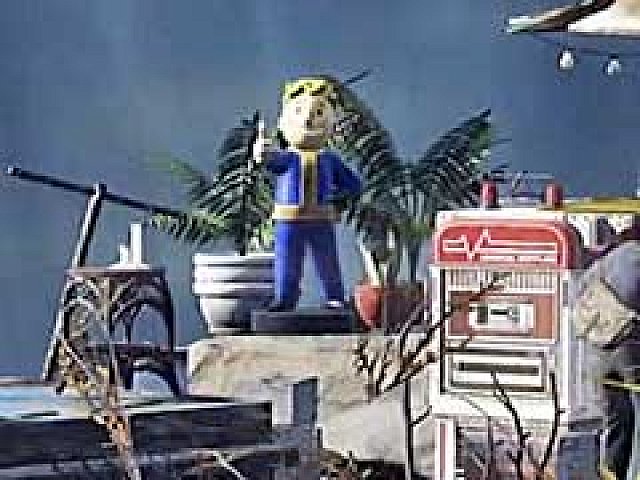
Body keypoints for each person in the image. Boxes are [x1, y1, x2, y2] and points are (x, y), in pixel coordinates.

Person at [252, 77, 362, 311]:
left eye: (318, 112)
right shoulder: (287, 158)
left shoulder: (329, 160)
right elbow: (271, 162)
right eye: (299, 112)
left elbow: (353, 185)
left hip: (321, 218)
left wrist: (340, 200)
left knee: (328, 261)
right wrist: (262, 153)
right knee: (287, 260)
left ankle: (335, 297)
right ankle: (284, 299)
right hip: (289, 218)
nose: (308, 119)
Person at [575, 229, 640, 480]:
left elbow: (581, 292)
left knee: (617, 420)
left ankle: (610, 474)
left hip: (598, 352)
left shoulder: (607, 260)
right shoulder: (636, 258)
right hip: (630, 351)